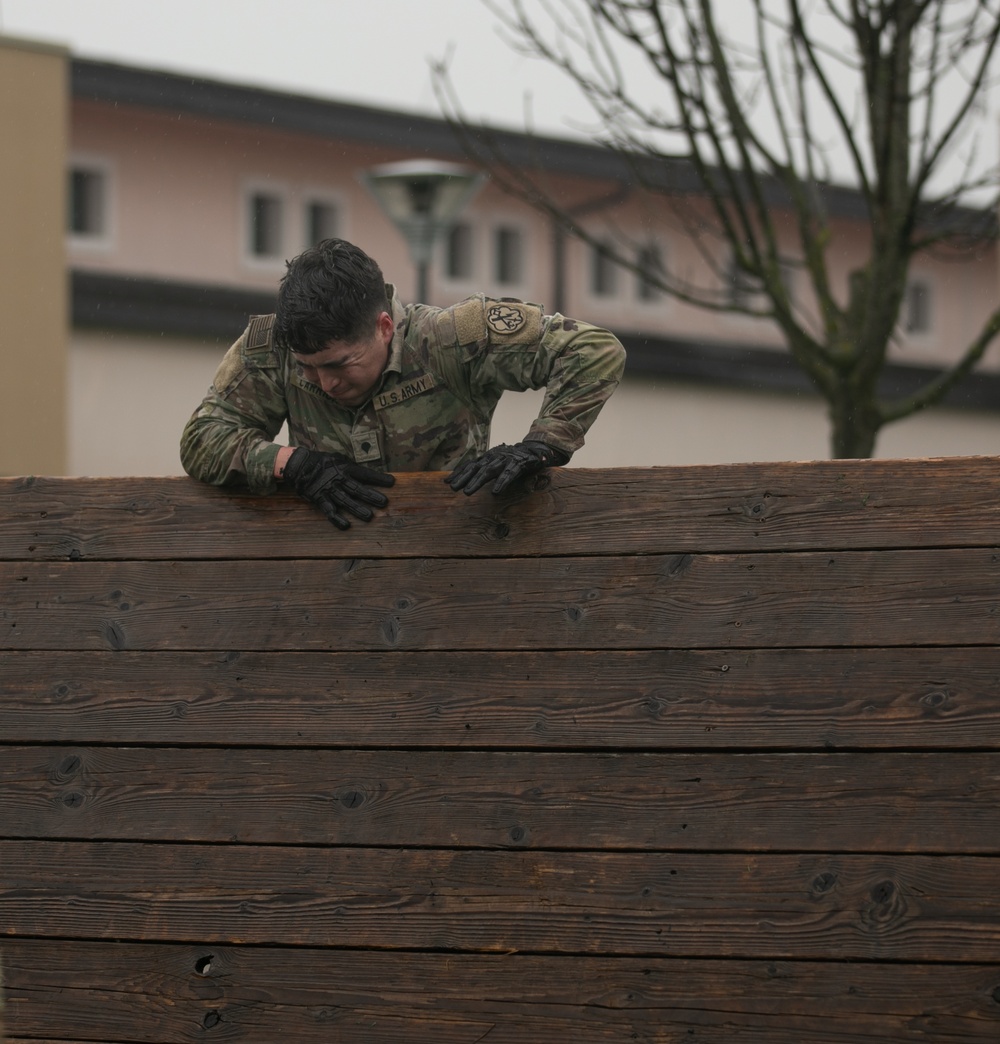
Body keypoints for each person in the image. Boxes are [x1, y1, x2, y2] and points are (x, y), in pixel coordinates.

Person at [180, 238, 625, 528]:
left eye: (339, 364)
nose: (324, 382)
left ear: (385, 327)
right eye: (308, 368)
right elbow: (203, 438)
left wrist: (543, 444)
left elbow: (594, 351)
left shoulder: (450, 340)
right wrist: (291, 464)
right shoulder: (272, 349)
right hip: (325, 566)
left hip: (456, 558)